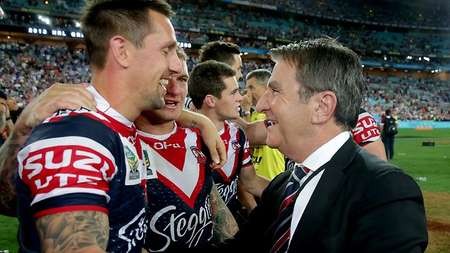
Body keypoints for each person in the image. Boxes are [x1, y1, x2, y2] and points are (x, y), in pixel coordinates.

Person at [221, 38, 427, 252]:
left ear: (322, 106)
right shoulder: (283, 186)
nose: (262, 104)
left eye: (274, 91)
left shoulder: (385, 192)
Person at [15, 1, 182, 252]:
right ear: (122, 51)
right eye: (166, 50)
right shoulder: (76, 139)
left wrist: (200, 120)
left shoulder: (116, 127)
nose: (176, 65)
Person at [138, 48, 237, 251]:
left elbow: (214, 204)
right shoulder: (118, 142)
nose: (175, 89)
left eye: (182, 79)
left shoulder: (200, 138)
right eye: (164, 79)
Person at [188, 60, 269, 224]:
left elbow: (251, 181)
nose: (241, 98)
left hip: (230, 231)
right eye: (234, 93)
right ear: (211, 100)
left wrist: (292, 192)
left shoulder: (238, 135)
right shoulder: (185, 138)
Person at [244, 69, 285, 180]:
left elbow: (246, 137)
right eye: (246, 87)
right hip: (255, 180)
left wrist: (245, 110)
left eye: (251, 87)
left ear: (267, 88)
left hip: (271, 179)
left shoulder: (273, 116)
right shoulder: (252, 115)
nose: (247, 92)